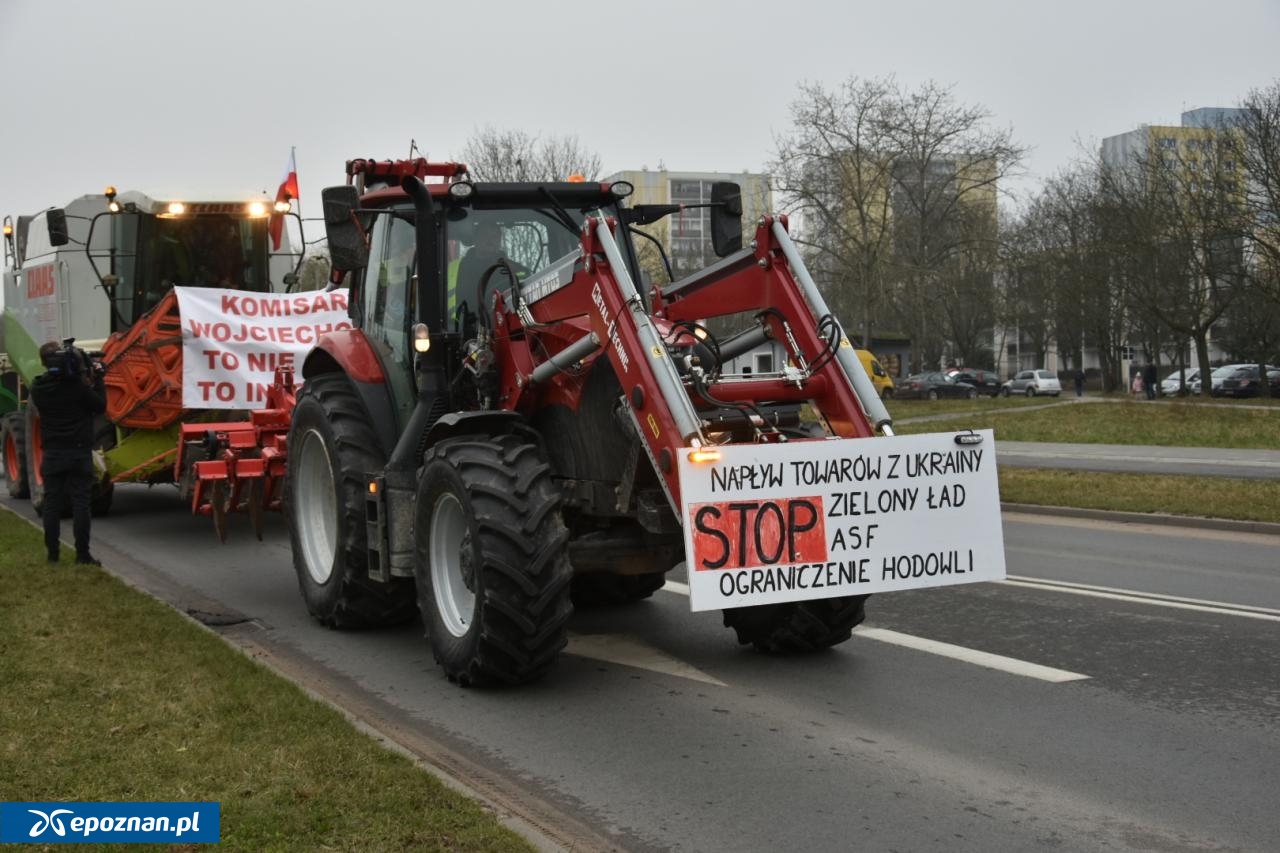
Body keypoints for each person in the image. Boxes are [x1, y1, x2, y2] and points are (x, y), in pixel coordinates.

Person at [30, 341, 107, 565]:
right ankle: (82, 554)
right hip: (79, 452)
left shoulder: (38, 387)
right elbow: (100, 406)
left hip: (53, 452)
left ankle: (53, 555)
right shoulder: (78, 388)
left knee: (52, 504)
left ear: (45, 363)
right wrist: (98, 378)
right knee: (81, 504)